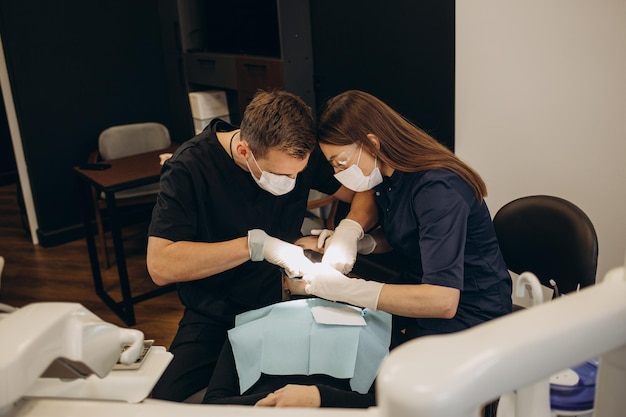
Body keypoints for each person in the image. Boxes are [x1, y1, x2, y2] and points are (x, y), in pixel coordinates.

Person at [146, 90, 376, 402]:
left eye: (299, 173)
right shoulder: (190, 168)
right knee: (161, 403)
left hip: (281, 304)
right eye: (282, 175)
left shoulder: (295, 150)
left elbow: (364, 191)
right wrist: (254, 246)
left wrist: (349, 229)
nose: (292, 182)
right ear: (244, 151)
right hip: (213, 312)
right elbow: (161, 265)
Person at [291, 89, 512, 346]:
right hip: (417, 290)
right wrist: (358, 243)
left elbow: (442, 302)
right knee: (339, 333)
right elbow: (410, 234)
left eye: (340, 162)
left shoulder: (438, 189)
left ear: (372, 143)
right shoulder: (389, 179)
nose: (337, 172)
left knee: (379, 366)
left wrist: (345, 289)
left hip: (470, 311)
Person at [201, 275, 391, 409]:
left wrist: (319, 398)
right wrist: (276, 401)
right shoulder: (247, 330)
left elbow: (393, 406)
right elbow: (212, 406)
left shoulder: (377, 330)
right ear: (284, 280)